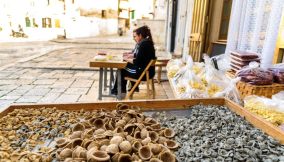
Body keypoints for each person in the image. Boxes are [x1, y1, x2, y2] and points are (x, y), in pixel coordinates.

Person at [111, 25, 156, 95]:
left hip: (143, 73)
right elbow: (140, 56)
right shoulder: (147, 42)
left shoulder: (143, 44)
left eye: (135, 36)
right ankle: (124, 89)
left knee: (121, 68)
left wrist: (125, 59)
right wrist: (128, 57)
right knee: (125, 65)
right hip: (148, 71)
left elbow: (137, 61)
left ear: (140, 35)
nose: (134, 38)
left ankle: (118, 91)